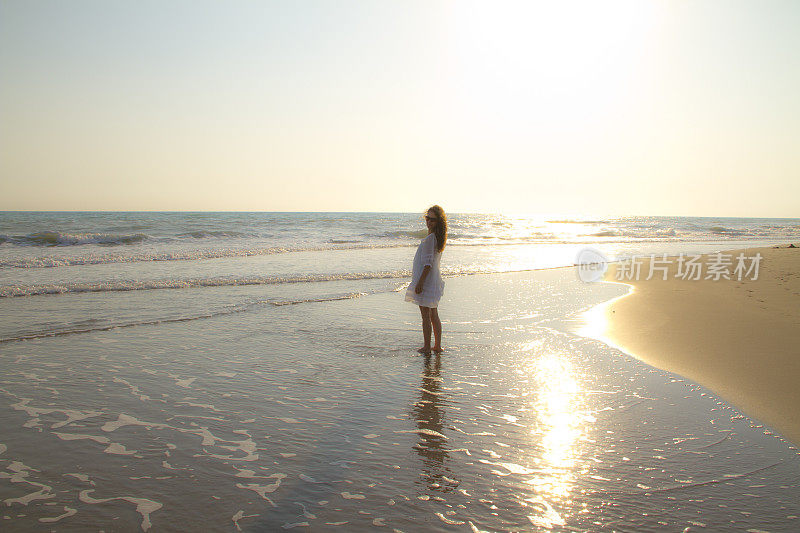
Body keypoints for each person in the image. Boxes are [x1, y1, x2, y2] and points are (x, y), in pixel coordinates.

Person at [405, 205, 447, 354]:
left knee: (426, 316)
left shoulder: (430, 239)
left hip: (427, 281)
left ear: (439, 222)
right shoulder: (438, 238)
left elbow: (428, 264)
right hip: (434, 280)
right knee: (433, 314)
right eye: (427, 218)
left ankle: (427, 347)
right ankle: (437, 346)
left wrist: (420, 282)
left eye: (432, 220)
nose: (428, 222)